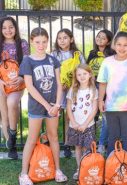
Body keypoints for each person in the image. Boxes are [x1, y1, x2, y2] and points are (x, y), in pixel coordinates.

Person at [19, 27, 67, 185]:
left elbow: (59, 84)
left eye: (44, 42)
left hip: (53, 106)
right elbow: (30, 87)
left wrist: (58, 104)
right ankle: (24, 174)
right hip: (37, 107)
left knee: (53, 137)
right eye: (37, 42)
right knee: (32, 139)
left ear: (48, 41)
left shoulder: (53, 60)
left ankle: (57, 170)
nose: (41, 45)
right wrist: (48, 106)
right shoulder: (27, 60)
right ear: (32, 42)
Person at [97, 31, 127, 156]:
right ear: (113, 45)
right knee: (113, 136)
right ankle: (111, 165)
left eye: (125, 45)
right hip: (111, 106)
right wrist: (100, 100)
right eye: (119, 44)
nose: (122, 48)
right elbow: (102, 83)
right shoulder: (107, 62)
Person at [51, 28, 86, 158]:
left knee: (69, 117)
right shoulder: (54, 54)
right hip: (58, 90)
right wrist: (60, 84)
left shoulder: (77, 54)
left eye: (65, 37)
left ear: (71, 39)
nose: (62, 40)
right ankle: (52, 140)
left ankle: (67, 143)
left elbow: (84, 70)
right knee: (55, 115)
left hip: (73, 89)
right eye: (59, 38)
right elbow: (50, 71)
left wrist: (73, 83)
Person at [0, 16, 29, 159]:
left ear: (15, 28)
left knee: (12, 103)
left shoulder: (22, 44)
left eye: (10, 27)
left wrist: (22, 77)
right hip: (1, 83)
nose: (8, 30)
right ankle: (11, 146)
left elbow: (27, 62)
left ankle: (13, 136)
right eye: (4, 28)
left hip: (17, 82)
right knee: (4, 113)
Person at [66, 64, 98, 180]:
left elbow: (94, 109)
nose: (82, 76)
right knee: (78, 147)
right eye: (79, 74)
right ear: (76, 76)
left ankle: (86, 168)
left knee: (86, 147)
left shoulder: (93, 90)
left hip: (88, 125)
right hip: (75, 125)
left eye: (85, 74)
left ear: (90, 75)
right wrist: (73, 122)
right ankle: (79, 168)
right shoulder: (73, 90)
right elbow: (69, 107)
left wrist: (85, 124)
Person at [86, 29, 115, 155]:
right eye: (98, 37)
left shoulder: (111, 54)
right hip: (93, 85)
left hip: (106, 86)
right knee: (92, 114)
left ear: (108, 41)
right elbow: (87, 69)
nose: (100, 39)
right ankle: (90, 143)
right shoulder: (92, 53)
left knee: (106, 117)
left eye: (103, 38)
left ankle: (102, 143)